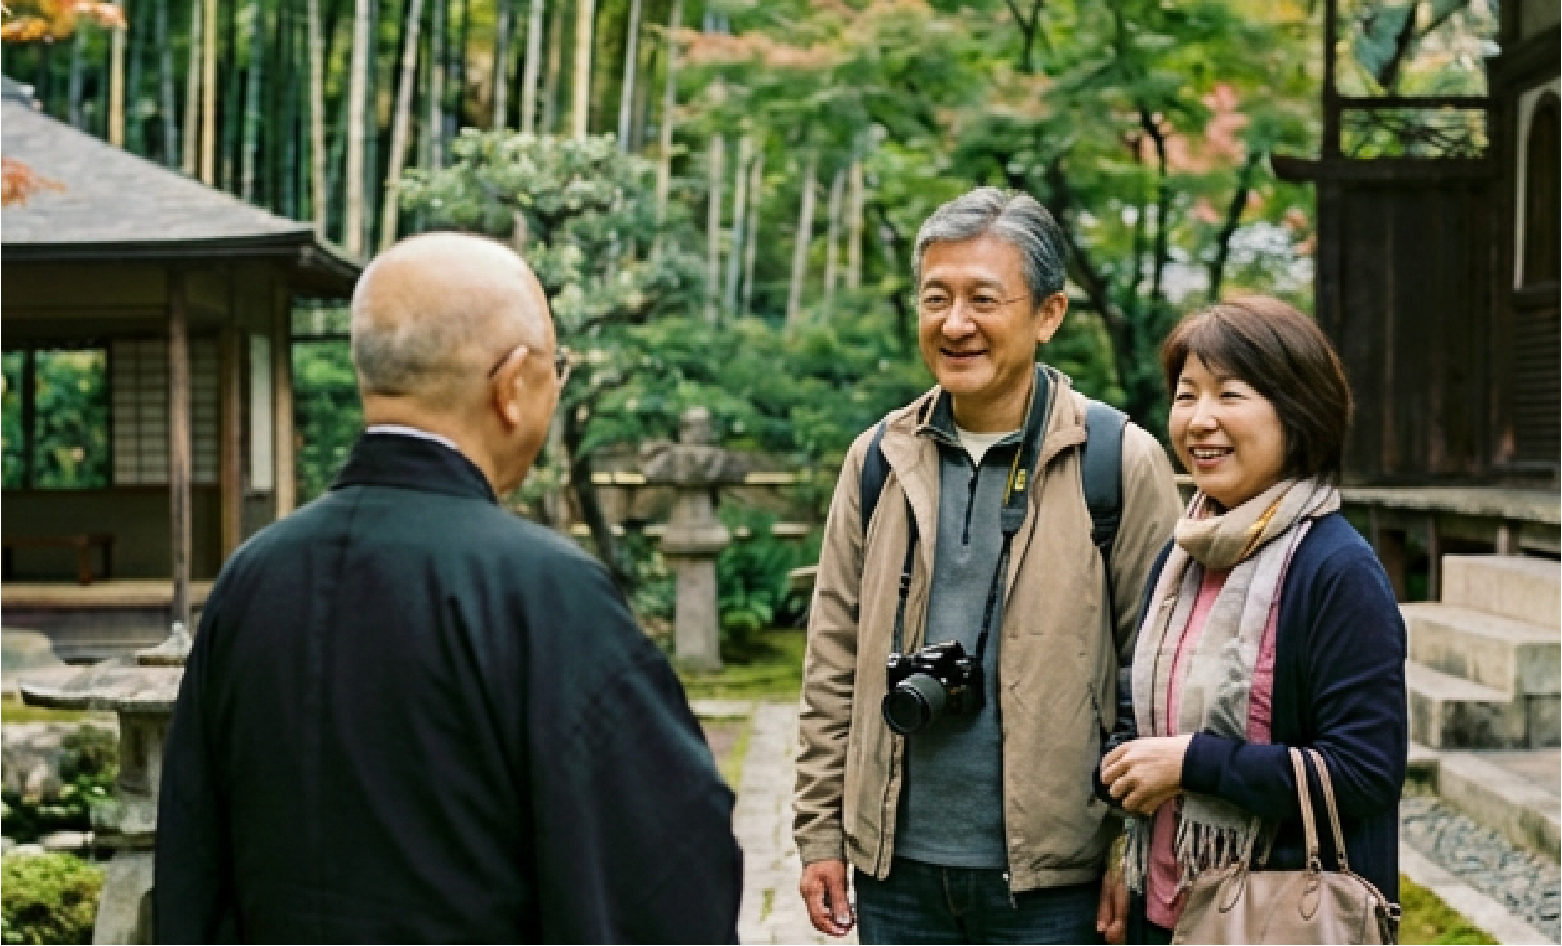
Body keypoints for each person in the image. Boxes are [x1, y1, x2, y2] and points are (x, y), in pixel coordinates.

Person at [154, 232, 743, 943]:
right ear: (512, 385)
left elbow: (192, 855)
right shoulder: (545, 591)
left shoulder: (253, 577)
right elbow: (662, 860)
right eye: (556, 369)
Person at [793, 186, 1182, 945]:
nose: (955, 323)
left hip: (1057, 880)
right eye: (936, 298)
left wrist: (1134, 846)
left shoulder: (1116, 460)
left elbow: (1158, 674)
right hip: (896, 873)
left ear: (1049, 314)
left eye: (983, 298)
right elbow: (832, 658)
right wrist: (819, 832)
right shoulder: (879, 459)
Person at [1098, 295, 1408, 944]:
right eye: (1187, 396)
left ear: (1298, 412)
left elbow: (1364, 773)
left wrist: (1195, 763)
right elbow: (1147, 721)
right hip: (1165, 910)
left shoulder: (1337, 570)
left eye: (1229, 395)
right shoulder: (1181, 558)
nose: (1200, 420)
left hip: (1278, 918)